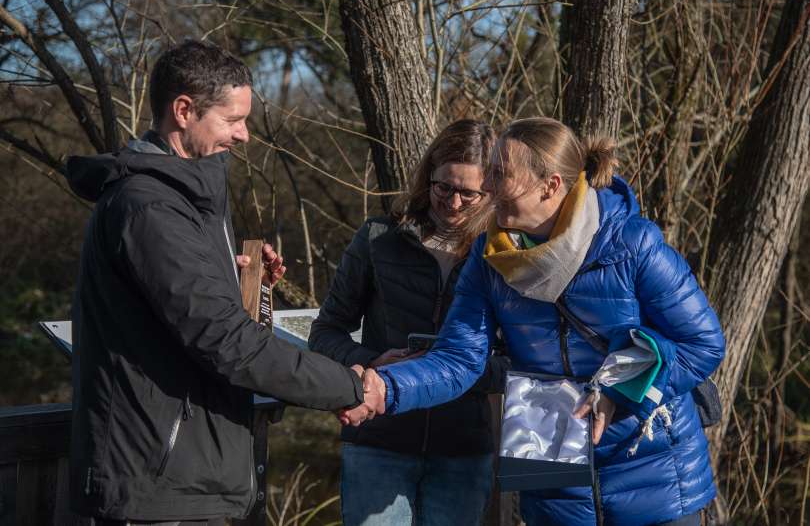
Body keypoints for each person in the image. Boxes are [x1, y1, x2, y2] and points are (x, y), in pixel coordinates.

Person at [66, 40, 383, 525]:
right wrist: (348, 385)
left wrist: (232, 278)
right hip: (156, 485)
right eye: (233, 120)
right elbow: (224, 340)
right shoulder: (150, 208)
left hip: (189, 476)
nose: (245, 135)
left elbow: (190, 314)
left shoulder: (188, 201)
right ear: (184, 110)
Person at [349, 117, 725, 526]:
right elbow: (459, 358)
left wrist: (620, 390)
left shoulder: (631, 244)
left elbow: (702, 344)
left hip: (652, 472)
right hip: (553, 474)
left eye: (500, 173)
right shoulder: (489, 258)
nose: (486, 187)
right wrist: (387, 389)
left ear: (551, 185)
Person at [310, 119, 510, 526]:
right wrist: (373, 362)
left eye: (469, 194)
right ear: (427, 178)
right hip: (379, 439)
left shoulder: (502, 255)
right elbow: (325, 332)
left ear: (491, 192)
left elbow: (518, 360)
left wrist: (455, 371)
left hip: (463, 446)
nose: (453, 203)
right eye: (444, 187)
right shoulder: (378, 238)